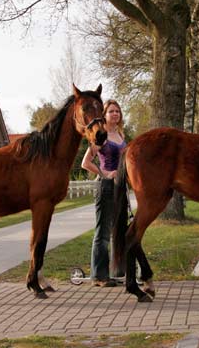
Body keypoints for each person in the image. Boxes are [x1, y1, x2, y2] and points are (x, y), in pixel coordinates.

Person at [81, 99, 126, 287]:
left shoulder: (120, 134)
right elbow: (86, 162)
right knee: (103, 231)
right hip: (105, 186)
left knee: (120, 230)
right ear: (104, 115)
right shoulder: (101, 135)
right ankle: (99, 276)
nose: (115, 114)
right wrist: (105, 173)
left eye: (117, 111)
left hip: (121, 186)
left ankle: (117, 271)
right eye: (111, 111)